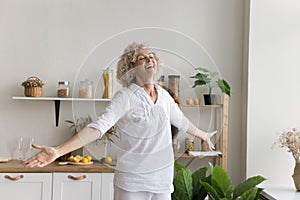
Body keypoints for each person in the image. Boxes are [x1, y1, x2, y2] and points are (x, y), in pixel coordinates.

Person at [23, 42, 216, 200]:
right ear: (131, 69)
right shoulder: (125, 97)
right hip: (132, 182)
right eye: (142, 57)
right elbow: (98, 128)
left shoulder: (164, 96)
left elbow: (182, 121)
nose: (150, 59)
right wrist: (58, 151)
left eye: (152, 56)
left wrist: (204, 135)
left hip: (162, 181)